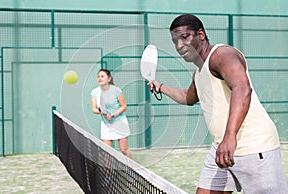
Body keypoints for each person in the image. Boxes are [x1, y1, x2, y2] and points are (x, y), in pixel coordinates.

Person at [148, 14, 288, 194]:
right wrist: (160, 87)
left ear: (201, 34)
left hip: (254, 147)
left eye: (185, 37)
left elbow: (242, 88)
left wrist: (230, 137)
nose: (180, 45)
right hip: (221, 151)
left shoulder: (222, 55)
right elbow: (188, 98)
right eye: (175, 41)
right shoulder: (199, 73)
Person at [91, 69, 132, 159]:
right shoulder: (95, 92)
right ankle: (107, 173)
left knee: (124, 150)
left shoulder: (117, 90)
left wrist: (113, 115)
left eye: (102, 76)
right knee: (106, 152)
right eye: (98, 77)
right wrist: (102, 112)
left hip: (120, 122)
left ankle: (131, 171)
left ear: (109, 79)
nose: (99, 78)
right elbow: (94, 109)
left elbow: (124, 106)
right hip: (106, 125)